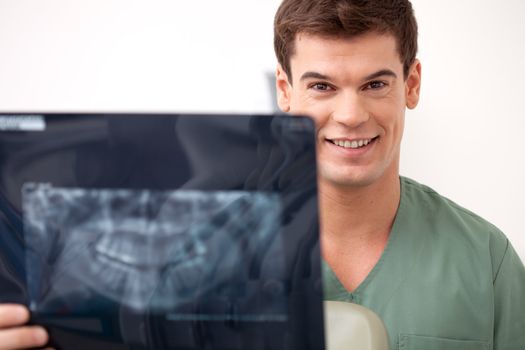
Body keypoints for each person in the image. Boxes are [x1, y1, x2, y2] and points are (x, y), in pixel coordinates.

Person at [1, 0, 524, 349]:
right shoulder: (192, 249)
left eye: (375, 84)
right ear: (284, 89)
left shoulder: (486, 261)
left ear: (411, 84)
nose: (349, 115)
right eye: (321, 86)